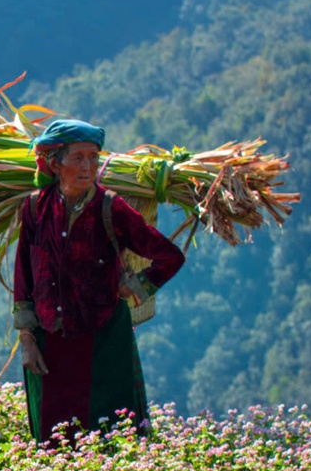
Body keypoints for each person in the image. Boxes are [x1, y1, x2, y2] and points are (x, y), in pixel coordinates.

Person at [13, 119, 185, 444]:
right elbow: (24, 275)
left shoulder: (111, 208)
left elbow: (169, 256)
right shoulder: (36, 208)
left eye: (93, 157)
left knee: (110, 435)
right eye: (78, 157)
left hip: (103, 340)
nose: (88, 166)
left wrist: (136, 288)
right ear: (54, 163)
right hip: (49, 343)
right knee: (53, 441)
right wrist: (27, 339)